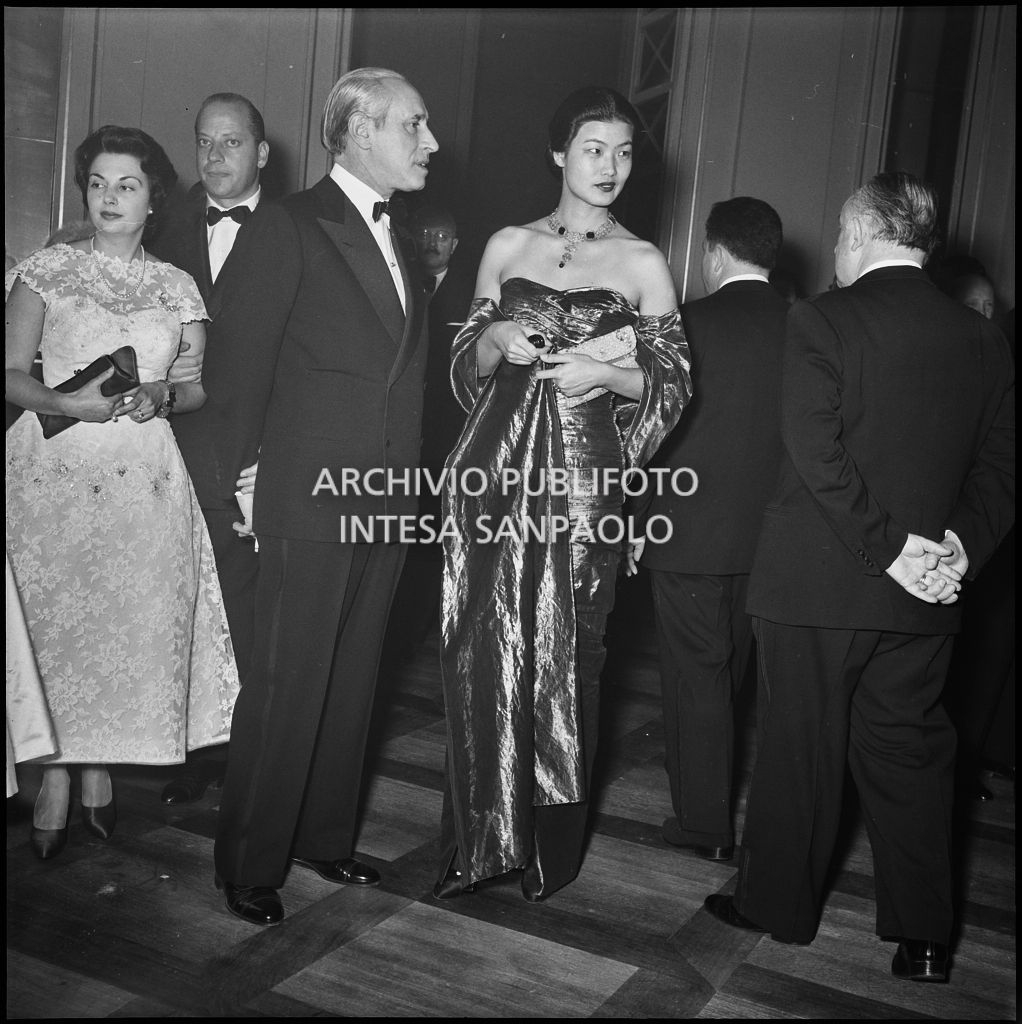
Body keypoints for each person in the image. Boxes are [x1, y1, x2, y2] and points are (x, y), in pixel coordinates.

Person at [703, 172, 1015, 985]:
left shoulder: (823, 318)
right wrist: (954, 550)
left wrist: (891, 547)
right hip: (925, 599)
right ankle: (923, 940)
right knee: (910, 756)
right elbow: (1002, 469)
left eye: (840, 237)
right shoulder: (983, 339)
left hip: (819, 584)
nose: (834, 252)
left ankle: (779, 908)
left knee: (799, 751)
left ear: (869, 234)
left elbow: (816, 456)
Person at [433, 86, 692, 903]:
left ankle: (551, 850)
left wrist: (604, 372)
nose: (610, 167)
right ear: (559, 154)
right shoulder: (506, 243)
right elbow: (461, 363)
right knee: (481, 640)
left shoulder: (644, 260)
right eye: (593, 149)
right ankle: (478, 842)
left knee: (570, 649)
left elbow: (675, 383)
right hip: (494, 473)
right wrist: (496, 340)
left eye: (622, 152)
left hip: (585, 479)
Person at [209, 67, 438, 926]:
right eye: (414, 126)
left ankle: (323, 836)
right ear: (359, 130)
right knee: (287, 681)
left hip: (385, 496)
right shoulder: (290, 225)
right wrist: (241, 492)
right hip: (305, 498)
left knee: (352, 678)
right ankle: (250, 861)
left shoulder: (401, 237)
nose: (431, 143)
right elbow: (237, 375)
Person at [4, 125, 240, 860]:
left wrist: (160, 398)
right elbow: (8, 373)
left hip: (144, 482)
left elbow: (195, 387)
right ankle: (57, 777)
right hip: (52, 473)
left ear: (152, 199)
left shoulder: (176, 287)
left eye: (126, 185)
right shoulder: (46, 271)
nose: (109, 197)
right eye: (98, 183)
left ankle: (99, 763)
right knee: (53, 630)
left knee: (116, 629)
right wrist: (66, 404)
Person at [639, 197, 788, 862]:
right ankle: (715, 807)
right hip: (769, 540)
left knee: (695, 676)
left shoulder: (687, 325)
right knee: (730, 674)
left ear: (718, 252)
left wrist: (638, 518)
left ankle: (703, 823)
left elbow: (655, 435)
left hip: (688, 530)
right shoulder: (804, 325)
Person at [148, 92, 269, 806]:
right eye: (204, 142)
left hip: (251, 448)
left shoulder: (291, 232)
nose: (215, 155)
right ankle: (187, 750)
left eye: (231, 142)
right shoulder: (162, 232)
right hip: (174, 443)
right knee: (180, 598)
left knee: (245, 608)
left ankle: (240, 749)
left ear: (260, 152)